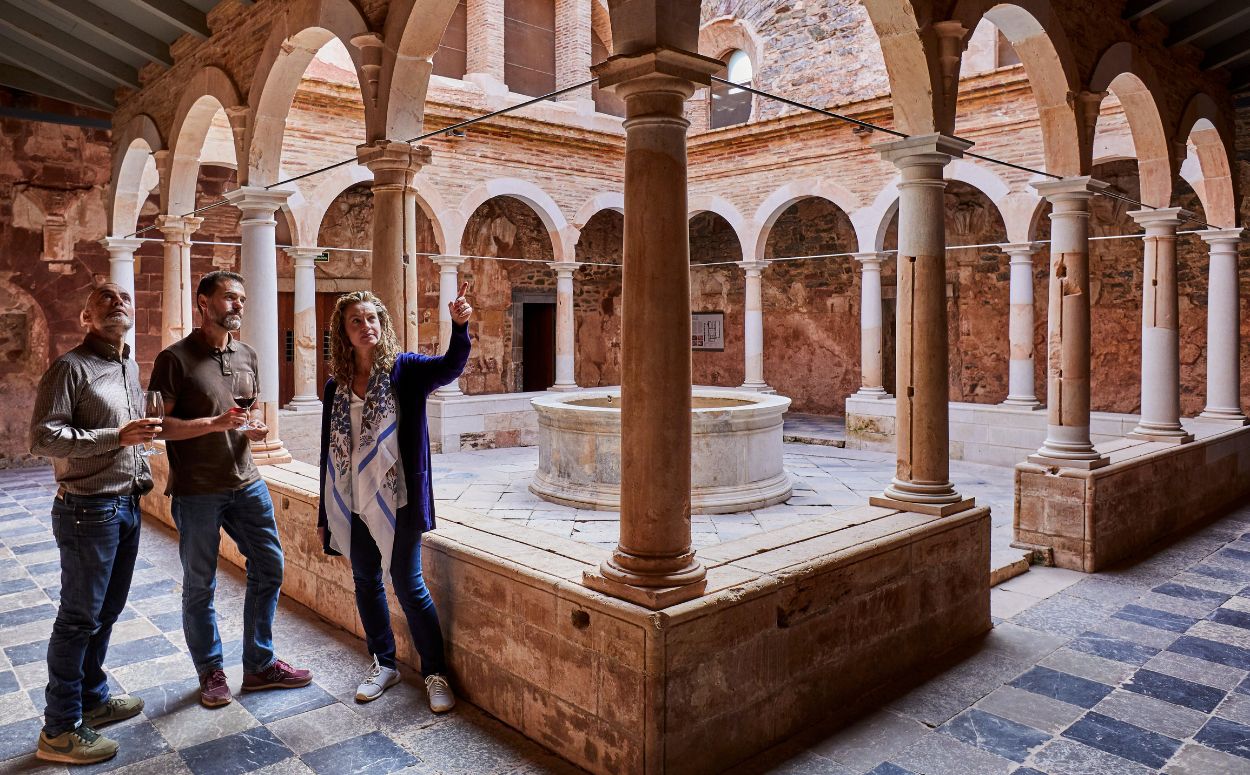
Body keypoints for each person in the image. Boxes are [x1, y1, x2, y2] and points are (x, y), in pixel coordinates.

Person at [149, 270, 311, 708]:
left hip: (247, 482)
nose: (238, 305)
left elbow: (244, 414)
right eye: (228, 297)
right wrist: (214, 424)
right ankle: (211, 672)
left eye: (241, 297)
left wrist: (251, 430)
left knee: (270, 567)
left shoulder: (247, 356)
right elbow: (159, 427)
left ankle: (259, 665)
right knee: (200, 585)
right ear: (204, 303)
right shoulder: (174, 359)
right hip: (197, 490)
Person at [317, 284, 472, 711]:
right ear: (343, 333)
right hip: (351, 499)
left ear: (383, 325)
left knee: (408, 585)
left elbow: (450, 367)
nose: (366, 326)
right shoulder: (337, 387)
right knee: (366, 582)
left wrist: (460, 327)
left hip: (399, 498)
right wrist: (323, 512)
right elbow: (329, 453)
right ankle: (383, 664)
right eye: (356, 321)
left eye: (373, 319)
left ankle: (435, 674)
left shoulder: (406, 371)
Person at [28, 283, 160, 764]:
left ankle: (92, 698)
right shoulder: (70, 368)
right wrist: (116, 435)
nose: (118, 303)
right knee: (78, 617)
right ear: (86, 317)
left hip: (126, 504)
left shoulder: (126, 364)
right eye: (105, 299)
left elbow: (133, 436)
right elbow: (44, 436)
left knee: (106, 612)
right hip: (87, 508)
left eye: (124, 297)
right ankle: (59, 729)